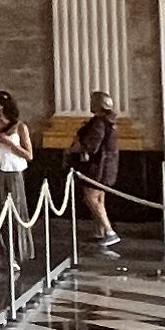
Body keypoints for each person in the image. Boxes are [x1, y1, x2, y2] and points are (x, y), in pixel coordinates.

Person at [70, 90, 122, 256]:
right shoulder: (110, 121)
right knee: (99, 198)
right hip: (106, 166)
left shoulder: (99, 122)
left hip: (97, 167)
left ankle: (108, 231)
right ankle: (100, 231)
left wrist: (79, 146)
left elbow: (93, 145)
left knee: (91, 197)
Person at [0, 90, 32, 219]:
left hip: (13, 171)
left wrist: (8, 143)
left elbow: (29, 155)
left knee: (15, 207)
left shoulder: (20, 127)